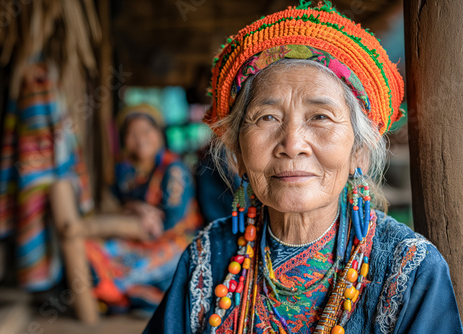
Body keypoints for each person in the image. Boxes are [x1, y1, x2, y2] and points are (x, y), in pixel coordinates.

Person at [145, 2, 463, 333]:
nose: (292, 143)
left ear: (360, 151)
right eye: (267, 117)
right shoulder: (206, 257)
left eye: (320, 117)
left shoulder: (410, 270)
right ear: (237, 152)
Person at [85, 104, 202, 313]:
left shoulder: (174, 169)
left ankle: (130, 296)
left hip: (174, 241)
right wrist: (136, 208)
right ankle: (129, 296)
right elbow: (109, 206)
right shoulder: (123, 170)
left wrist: (129, 219)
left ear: (159, 133)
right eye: (132, 133)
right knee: (92, 249)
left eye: (147, 131)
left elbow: (164, 226)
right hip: (138, 238)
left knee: (121, 273)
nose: (140, 139)